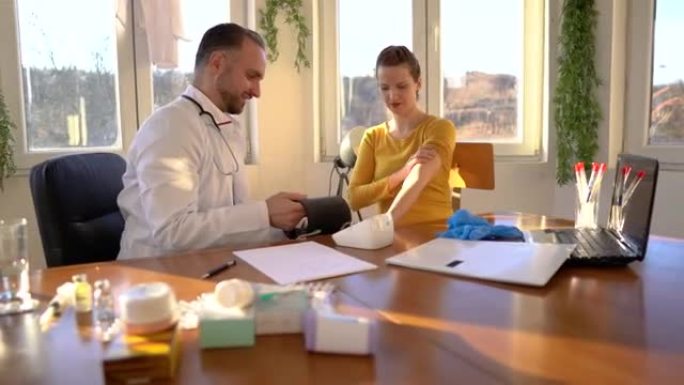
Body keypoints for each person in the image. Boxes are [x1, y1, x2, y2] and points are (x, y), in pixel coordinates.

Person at [117, 23, 306, 259]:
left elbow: (231, 223)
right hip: (155, 276)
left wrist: (286, 229)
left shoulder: (226, 129)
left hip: (213, 264)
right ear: (217, 63)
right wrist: (264, 213)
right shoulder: (171, 127)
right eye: (251, 76)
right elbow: (172, 232)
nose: (257, 92)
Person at [347, 45, 456, 227]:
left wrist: (385, 224)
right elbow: (354, 198)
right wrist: (400, 175)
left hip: (435, 238)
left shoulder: (439, 128)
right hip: (391, 238)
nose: (393, 96)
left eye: (402, 86)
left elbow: (419, 174)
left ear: (418, 84)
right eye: (384, 88)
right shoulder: (372, 136)